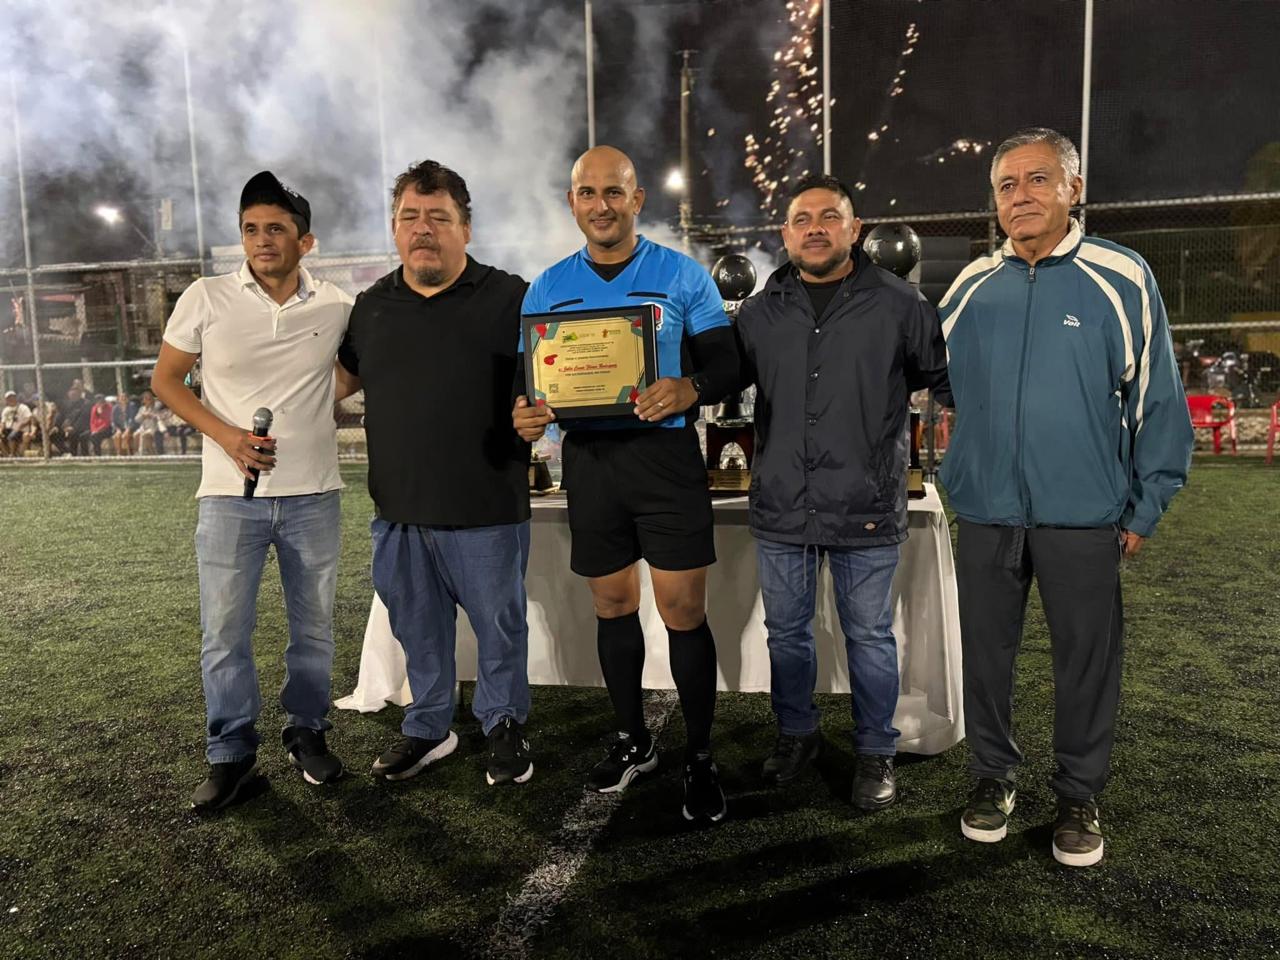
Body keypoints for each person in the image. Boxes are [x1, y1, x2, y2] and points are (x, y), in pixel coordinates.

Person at [939, 128, 1193, 867]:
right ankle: (992, 777)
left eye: (1037, 179)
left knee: (1086, 660)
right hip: (986, 511)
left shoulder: (1122, 274)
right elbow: (939, 383)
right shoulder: (968, 286)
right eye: (1006, 185)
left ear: (1073, 189)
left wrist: (1146, 503)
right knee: (985, 656)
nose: (1020, 195)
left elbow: (1158, 397)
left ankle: (1079, 793)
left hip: (1083, 514)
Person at [513, 145, 740, 823]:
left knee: (683, 611)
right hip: (591, 464)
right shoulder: (547, 287)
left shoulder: (682, 274)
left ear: (638, 199)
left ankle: (699, 756)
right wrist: (525, 412)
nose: (601, 205)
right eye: (588, 193)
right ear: (572, 203)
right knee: (612, 605)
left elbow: (728, 365)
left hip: (666, 462)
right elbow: (527, 386)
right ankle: (633, 739)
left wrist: (689, 387)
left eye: (614, 192)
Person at [734, 175, 951, 809]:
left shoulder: (902, 304)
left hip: (865, 503)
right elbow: (721, 380)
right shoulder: (760, 312)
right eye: (802, 219)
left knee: (870, 636)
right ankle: (796, 735)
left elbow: (941, 382)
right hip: (783, 503)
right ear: (785, 234)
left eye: (830, 217)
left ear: (855, 230)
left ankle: (875, 750)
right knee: (786, 635)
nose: (816, 228)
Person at [152, 171, 352, 812]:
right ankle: (231, 754)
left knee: (313, 630)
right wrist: (230, 437)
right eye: (250, 229)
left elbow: (349, 375)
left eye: (276, 229)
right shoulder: (205, 296)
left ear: (305, 241)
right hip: (227, 497)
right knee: (224, 634)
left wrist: (314, 400)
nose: (262, 240)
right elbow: (166, 380)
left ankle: (307, 732)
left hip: (313, 494)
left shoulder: (337, 305)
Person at [335, 160, 534, 788]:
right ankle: (428, 726)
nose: (423, 228)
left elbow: (545, 380)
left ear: (465, 228)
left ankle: (503, 723)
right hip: (399, 508)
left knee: (499, 631)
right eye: (410, 217)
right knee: (417, 631)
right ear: (394, 229)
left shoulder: (511, 296)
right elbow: (333, 385)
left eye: (438, 217)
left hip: (486, 504)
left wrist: (536, 413)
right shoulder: (370, 307)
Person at [133, 389, 168, 455]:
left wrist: (150, 415)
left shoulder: (156, 406)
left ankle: (148, 453)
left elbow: (158, 415)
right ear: (143, 400)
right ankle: (136, 452)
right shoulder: (142, 409)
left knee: (144, 435)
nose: (148, 400)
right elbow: (136, 419)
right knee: (135, 435)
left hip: (153, 427)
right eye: (146, 398)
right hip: (143, 427)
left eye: (149, 398)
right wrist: (143, 416)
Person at [1, 390, 32, 456]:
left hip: (21, 430)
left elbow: (29, 418)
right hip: (8, 429)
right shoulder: (5, 410)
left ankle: (12, 454)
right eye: (8, 398)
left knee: (11, 437)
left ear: (15, 398)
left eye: (12, 397)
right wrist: (0, 430)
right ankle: (6, 456)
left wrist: (20, 425)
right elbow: (3, 422)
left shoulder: (23, 407)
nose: (11, 399)